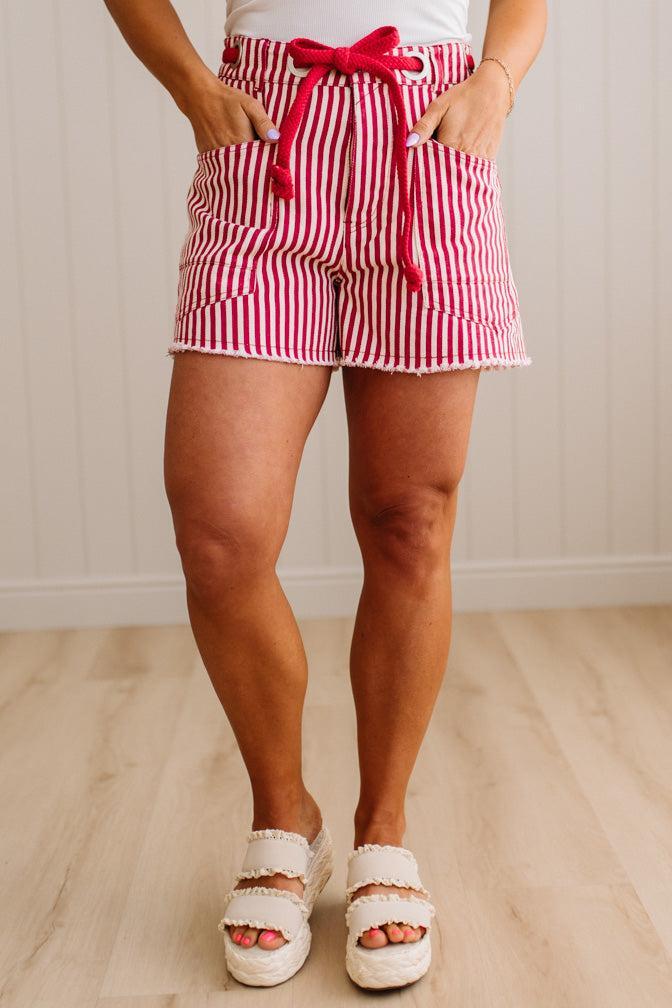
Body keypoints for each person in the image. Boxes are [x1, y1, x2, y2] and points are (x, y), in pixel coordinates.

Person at [104, 0, 546, 990]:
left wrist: (495, 84)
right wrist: (191, 85)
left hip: (426, 139)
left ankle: (383, 831)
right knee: (220, 534)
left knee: (408, 521)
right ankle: (284, 818)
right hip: (269, 140)